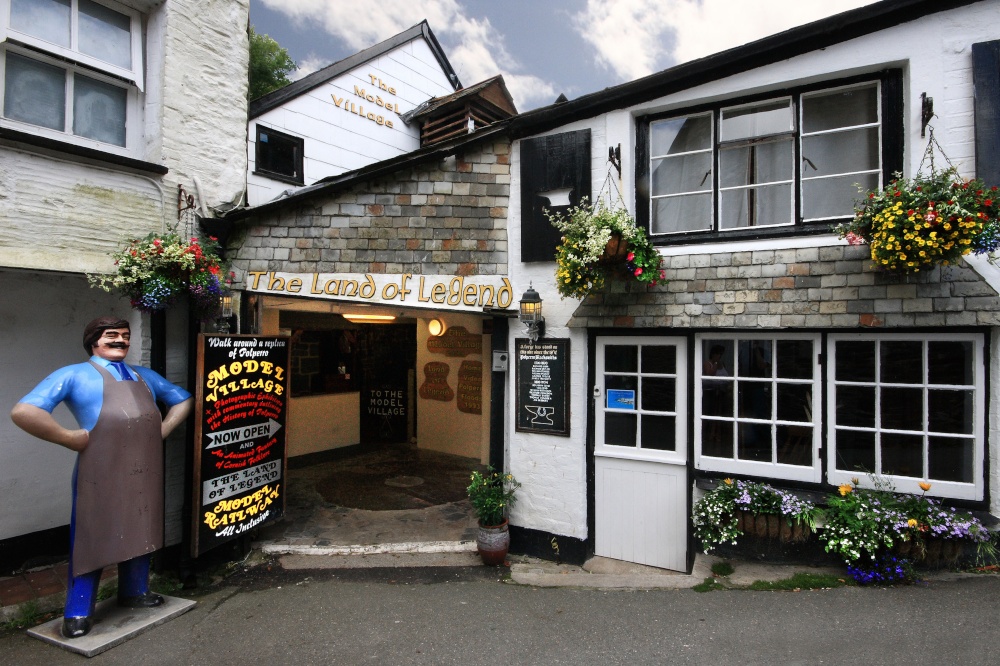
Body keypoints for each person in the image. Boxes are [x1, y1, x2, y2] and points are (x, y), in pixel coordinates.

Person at [10, 316, 192, 639]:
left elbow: (182, 398)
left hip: (144, 471)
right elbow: (25, 411)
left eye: (125, 335)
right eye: (112, 336)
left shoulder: (143, 376)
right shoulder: (74, 375)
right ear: (94, 340)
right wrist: (69, 437)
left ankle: (135, 590)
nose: (121, 341)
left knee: (141, 528)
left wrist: (161, 430)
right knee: (92, 536)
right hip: (99, 473)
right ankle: (78, 609)